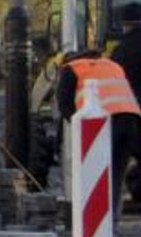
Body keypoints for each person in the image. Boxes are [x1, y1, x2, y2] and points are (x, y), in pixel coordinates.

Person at [60, 47, 141, 218]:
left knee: (95, 171)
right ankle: (112, 222)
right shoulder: (112, 65)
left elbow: (65, 107)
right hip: (131, 120)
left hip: (104, 122)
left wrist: (80, 133)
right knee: (116, 174)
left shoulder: (71, 68)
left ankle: (98, 221)